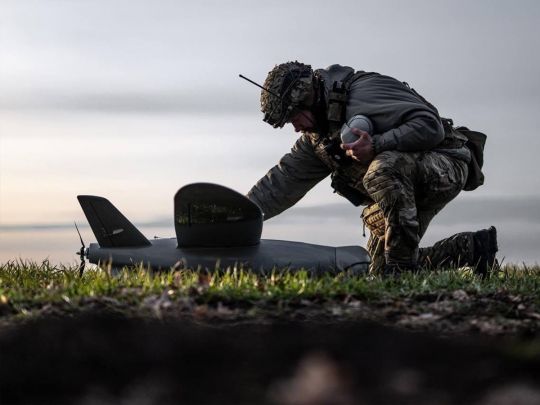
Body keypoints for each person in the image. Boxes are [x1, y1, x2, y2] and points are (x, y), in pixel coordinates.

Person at [246, 61, 498, 275]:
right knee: (376, 271)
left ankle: (400, 271)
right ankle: (472, 249)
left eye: (293, 118)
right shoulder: (317, 139)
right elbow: (281, 182)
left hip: (446, 163)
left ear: (306, 99)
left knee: (381, 171)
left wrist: (377, 144)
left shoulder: (365, 93)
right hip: (402, 185)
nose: (296, 128)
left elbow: (430, 126)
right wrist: (235, 215)